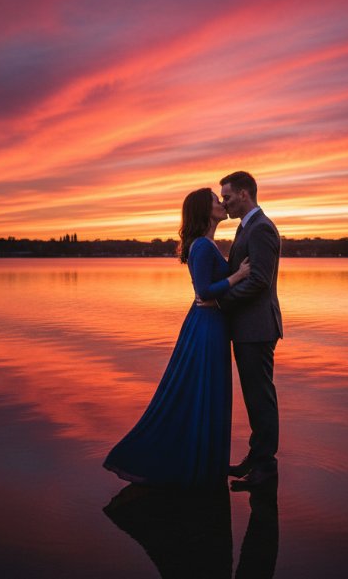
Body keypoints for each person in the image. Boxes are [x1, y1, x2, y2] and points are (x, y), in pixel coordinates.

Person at [103, 188, 250, 486]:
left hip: (213, 323)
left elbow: (210, 291)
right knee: (199, 392)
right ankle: (188, 463)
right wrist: (238, 276)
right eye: (214, 200)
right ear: (203, 210)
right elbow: (203, 292)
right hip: (206, 328)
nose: (221, 203)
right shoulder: (201, 247)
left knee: (207, 392)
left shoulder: (208, 245)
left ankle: (207, 462)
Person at [200, 171, 283, 491]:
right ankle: (256, 458)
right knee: (254, 396)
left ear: (245, 195)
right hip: (248, 327)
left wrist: (220, 303)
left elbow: (259, 279)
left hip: (257, 327)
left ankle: (265, 469)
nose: (225, 202)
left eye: (228, 197)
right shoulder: (246, 227)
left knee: (261, 397)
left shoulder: (261, 228)